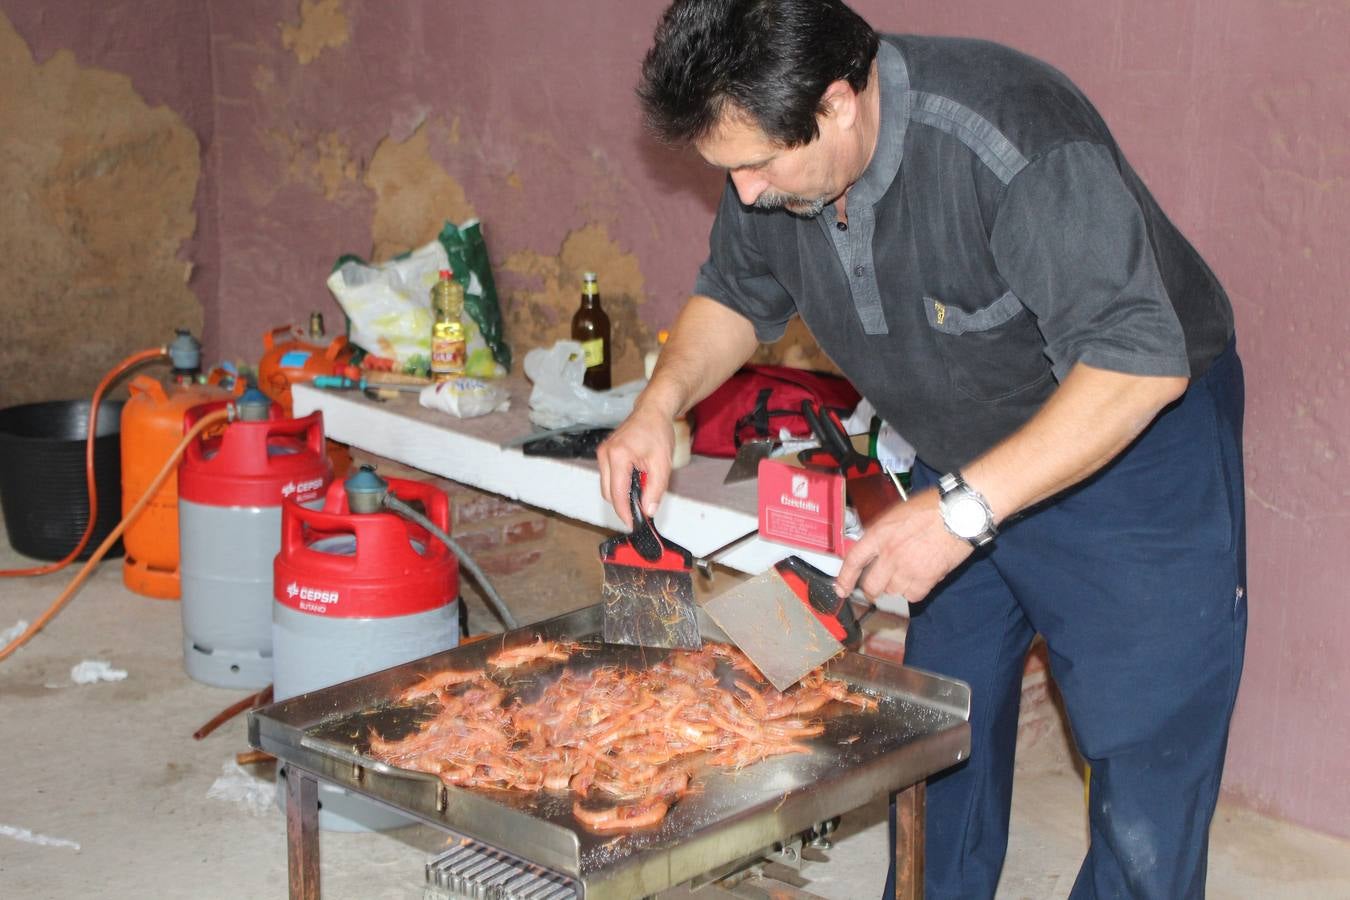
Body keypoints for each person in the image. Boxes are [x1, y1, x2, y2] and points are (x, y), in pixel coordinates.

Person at [598, 0, 1247, 897]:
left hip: (1128, 441)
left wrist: (965, 510)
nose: (743, 192)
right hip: (959, 446)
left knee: (1143, 750)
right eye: (728, 170)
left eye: (754, 165)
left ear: (836, 104)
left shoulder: (1011, 142)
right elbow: (738, 293)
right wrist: (656, 405)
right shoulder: (774, 156)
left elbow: (1136, 366)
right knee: (939, 722)